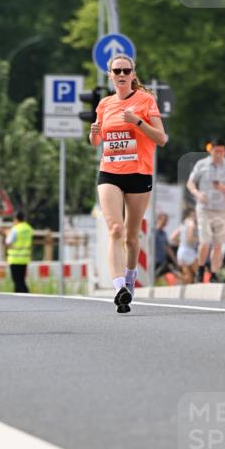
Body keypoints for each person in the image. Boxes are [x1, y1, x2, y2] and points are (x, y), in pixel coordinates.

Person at [89, 55, 167, 313]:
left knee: (132, 237)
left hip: (138, 173)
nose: (121, 75)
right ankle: (119, 286)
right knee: (114, 229)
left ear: (133, 74)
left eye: (126, 71)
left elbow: (162, 138)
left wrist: (138, 122)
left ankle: (131, 278)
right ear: (110, 75)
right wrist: (93, 133)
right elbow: (96, 140)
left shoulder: (146, 101)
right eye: (116, 71)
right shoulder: (104, 104)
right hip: (109, 171)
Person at [186, 139, 225, 282]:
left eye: (221, 151)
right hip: (204, 209)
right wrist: (197, 194)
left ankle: (214, 273)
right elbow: (190, 183)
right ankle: (201, 268)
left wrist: (222, 187)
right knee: (205, 241)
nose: (219, 154)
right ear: (211, 150)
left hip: (222, 210)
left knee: (218, 244)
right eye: (216, 151)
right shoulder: (201, 164)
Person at [6, 210, 34, 292]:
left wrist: (7, 234)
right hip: (24, 258)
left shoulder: (15, 229)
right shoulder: (28, 228)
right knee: (22, 280)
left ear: (16, 219)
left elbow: (8, 241)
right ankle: (25, 295)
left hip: (14, 259)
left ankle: (20, 298)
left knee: (17, 281)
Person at [170, 208, 199, 284]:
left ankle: (176, 275)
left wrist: (182, 243)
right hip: (189, 251)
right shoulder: (191, 223)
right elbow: (190, 239)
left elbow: (172, 237)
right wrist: (199, 240)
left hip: (181, 251)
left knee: (188, 279)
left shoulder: (183, 224)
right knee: (199, 273)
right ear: (191, 214)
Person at [154, 212, 177, 280]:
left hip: (162, 261)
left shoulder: (164, 233)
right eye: (164, 220)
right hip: (154, 261)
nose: (166, 222)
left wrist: (174, 260)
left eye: (166, 220)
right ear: (159, 219)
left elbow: (167, 248)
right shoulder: (153, 232)